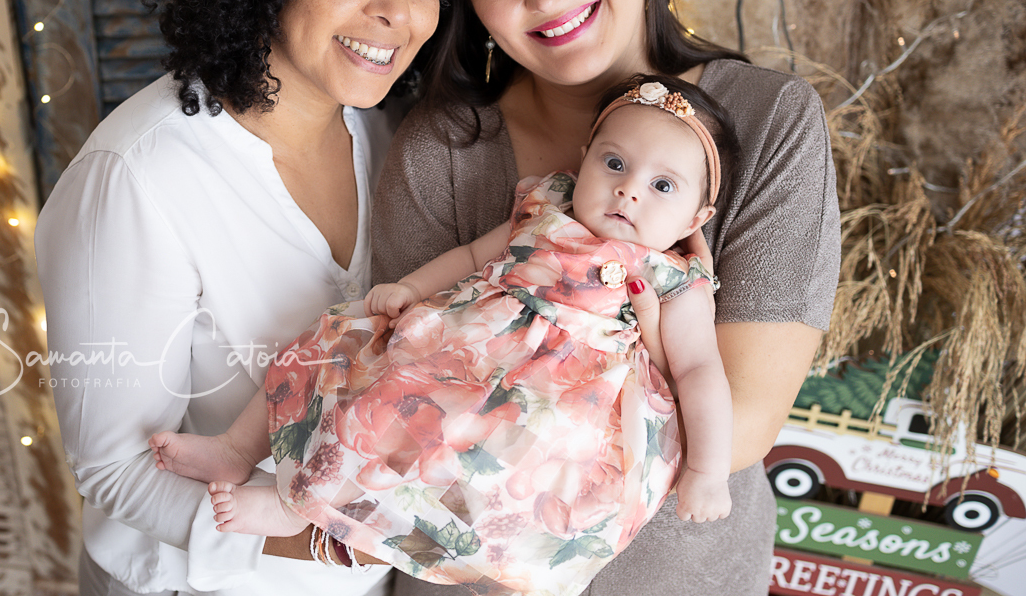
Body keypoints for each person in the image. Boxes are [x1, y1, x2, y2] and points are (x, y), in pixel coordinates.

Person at [372, 0, 841, 596]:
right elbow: (403, 395)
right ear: (471, 3)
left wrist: (656, 338)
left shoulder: (769, 121)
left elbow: (742, 428)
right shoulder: (443, 148)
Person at [33, 0, 470, 595]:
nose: (398, 11)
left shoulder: (393, 134)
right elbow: (116, 469)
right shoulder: (136, 176)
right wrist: (342, 548)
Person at [148, 74, 735, 596]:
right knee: (349, 356)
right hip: (461, 351)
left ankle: (332, 523)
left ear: (695, 220)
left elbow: (698, 371)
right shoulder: (545, 206)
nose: (629, 189)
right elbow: (478, 253)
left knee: (513, 486)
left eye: (663, 186)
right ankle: (246, 457)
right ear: (583, 161)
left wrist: (707, 471)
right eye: (614, 164)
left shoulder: (674, 278)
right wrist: (410, 286)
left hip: (562, 409)